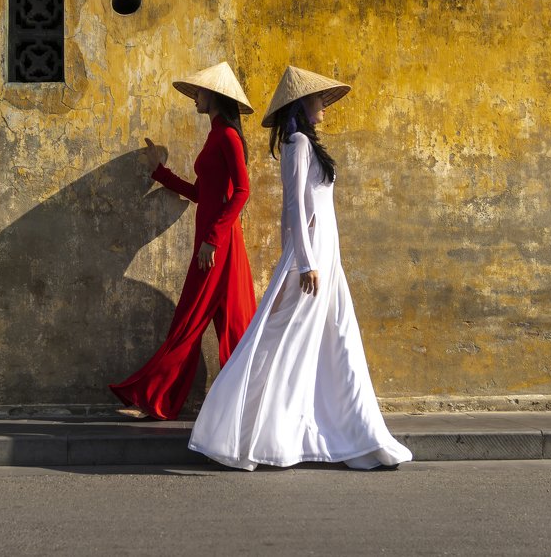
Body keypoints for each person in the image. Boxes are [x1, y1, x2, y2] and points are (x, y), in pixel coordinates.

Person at [188, 66, 413, 469]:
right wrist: (304, 262)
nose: (323, 105)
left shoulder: (310, 144)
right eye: (317, 98)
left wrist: (321, 259)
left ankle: (360, 437)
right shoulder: (296, 143)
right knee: (280, 341)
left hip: (327, 258)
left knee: (338, 340)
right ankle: (244, 432)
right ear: (301, 104)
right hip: (310, 262)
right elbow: (293, 208)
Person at [110, 62, 257, 420]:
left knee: (190, 321)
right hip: (212, 243)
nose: (196, 98)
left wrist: (211, 240)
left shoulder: (228, 137)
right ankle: (253, 400)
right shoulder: (215, 135)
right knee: (234, 323)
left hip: (216, 247)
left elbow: (242, 192)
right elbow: (202, 193)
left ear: (217, 97)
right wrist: (160, 172)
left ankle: (154, 398)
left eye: (201, 92)